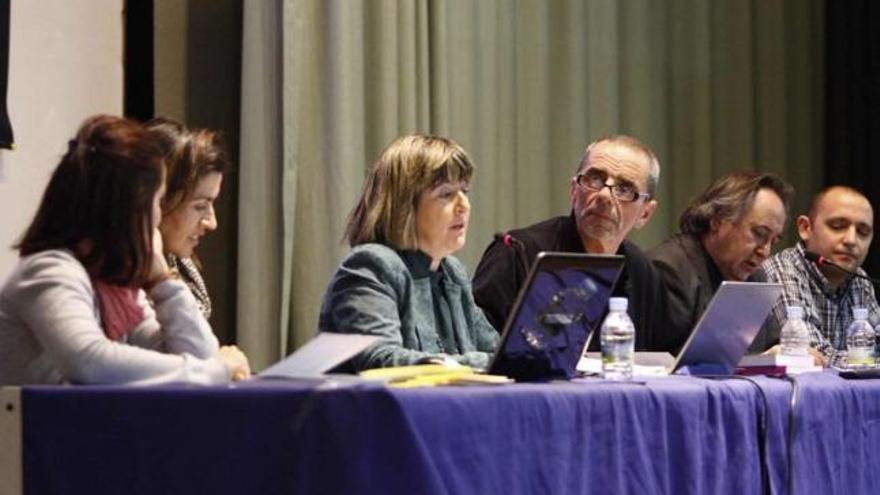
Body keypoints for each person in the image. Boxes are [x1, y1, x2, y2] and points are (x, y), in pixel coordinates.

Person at [0, 115, 250, 385]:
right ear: (126, 209)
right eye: (156, 202)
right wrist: (215, 371)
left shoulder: (114, 288)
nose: (156, 217)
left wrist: (162, 281)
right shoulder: (49, 271)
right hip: (35, 427)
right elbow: (89, 361)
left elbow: (202, 356)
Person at [318, 134, 499, 371]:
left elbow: (499, 352)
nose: (464, 205)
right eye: (446, 193)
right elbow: (381, 360)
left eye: (464, 190)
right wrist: (476, 362)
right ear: (404, 206)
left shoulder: (452, 273)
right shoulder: (371, 266)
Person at [472, 135, 663, 350]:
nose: (604, 195)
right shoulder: (516, 253)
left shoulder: (642, 270)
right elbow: (479, 353)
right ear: (574, 191)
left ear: (645, 213)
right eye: (595, 179)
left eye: (625, 189)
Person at [648, 171, 794, 354]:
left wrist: (793, 352)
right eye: (759, 234)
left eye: (773, 241)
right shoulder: (668, 270)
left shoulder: (756, 277)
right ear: (717, 221)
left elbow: (772, 345)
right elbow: (671, 365)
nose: (765, 251)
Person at [762, 186, 879, 367]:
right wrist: (869, 361)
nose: (851, 240)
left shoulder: (860, 280)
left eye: (863, 232)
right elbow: (812, 354)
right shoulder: (783, 271)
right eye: (838, 226)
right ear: (805, 228)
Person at [147, 118, 227, 319]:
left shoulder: (181, 265)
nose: (212, 223)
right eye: (200, 206)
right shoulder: (124, 289)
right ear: (156, 199)